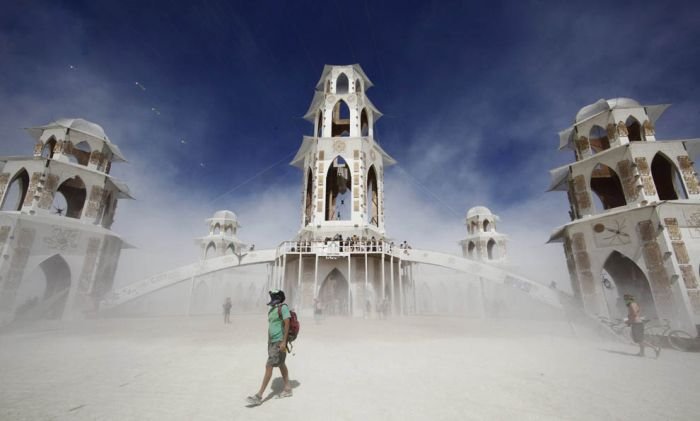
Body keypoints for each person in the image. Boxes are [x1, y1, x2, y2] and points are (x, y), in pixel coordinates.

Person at [246, 289, 293, 406]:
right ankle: (287, 388)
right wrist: (269, 342)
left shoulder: (283, 308)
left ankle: (259, 395)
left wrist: (283, 342)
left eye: (273, 296)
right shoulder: (272, 309)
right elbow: (271, 326)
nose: (271, 298)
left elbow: (287, 323)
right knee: (281, 364)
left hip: (279, 342)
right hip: (272, 342)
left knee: (269, 366)